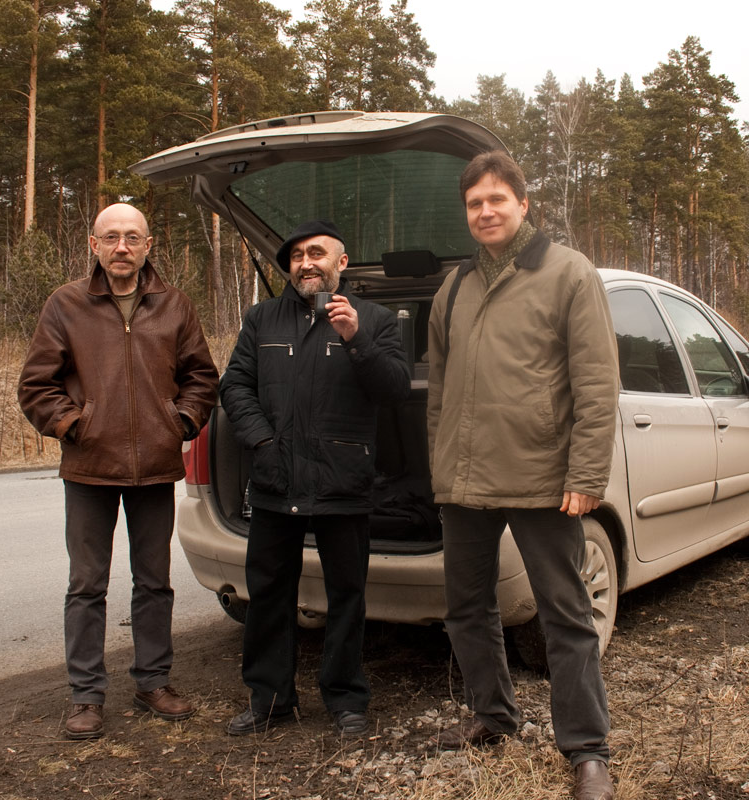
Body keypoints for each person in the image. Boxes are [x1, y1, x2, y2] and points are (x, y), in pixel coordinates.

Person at [427, 152, 620, 800]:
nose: (485, 212)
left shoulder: (569, 273)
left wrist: (586, 472)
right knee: (466, 610)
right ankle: (493, 716)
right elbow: (439, 390)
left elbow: (597, 383)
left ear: (523, 203)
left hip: (544, 478)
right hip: (465, 482)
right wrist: (441, 464)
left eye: (496, 200)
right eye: (474, 203)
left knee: (565, 615)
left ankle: (587, 751)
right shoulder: (454, 287)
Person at [18, 203, 218, 741]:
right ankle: (86, 695)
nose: (122, 247)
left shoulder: (175, 305)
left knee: (155, 582)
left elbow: (202, 377)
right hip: (89, 468)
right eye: (111, 237)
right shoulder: (66, 304)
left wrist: (180, 422)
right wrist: (73, 425)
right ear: (94, 245)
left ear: (148, 245)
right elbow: (36, 384)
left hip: (155, 468)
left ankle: (153, 681)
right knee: (86, 585)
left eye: (132, 237)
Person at [219, 219, 410, 738]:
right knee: (267, 594)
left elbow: (395, 388)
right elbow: (235, 386)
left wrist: (356, 340)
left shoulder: (373, 319)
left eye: (317, 253)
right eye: (297, 256)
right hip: (275, 479)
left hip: (342, 481)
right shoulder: (262, 318)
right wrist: (261, 443)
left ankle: (346, 699)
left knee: (346, 596)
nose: (306, 263)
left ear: (340, 262)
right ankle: (270, 700)